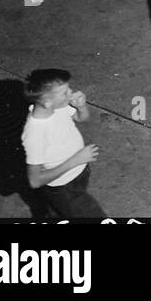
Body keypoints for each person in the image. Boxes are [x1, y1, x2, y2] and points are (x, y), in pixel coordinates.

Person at [22, 68, 104, 219]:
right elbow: (35, 181)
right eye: (65, 92)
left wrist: (81, 106)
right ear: (47, 102)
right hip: (63, 186)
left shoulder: (57, 107)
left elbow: (82, 118)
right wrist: (76, 160)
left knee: (59, 211)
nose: (71, 93)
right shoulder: (35, 134)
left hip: (79, 172)